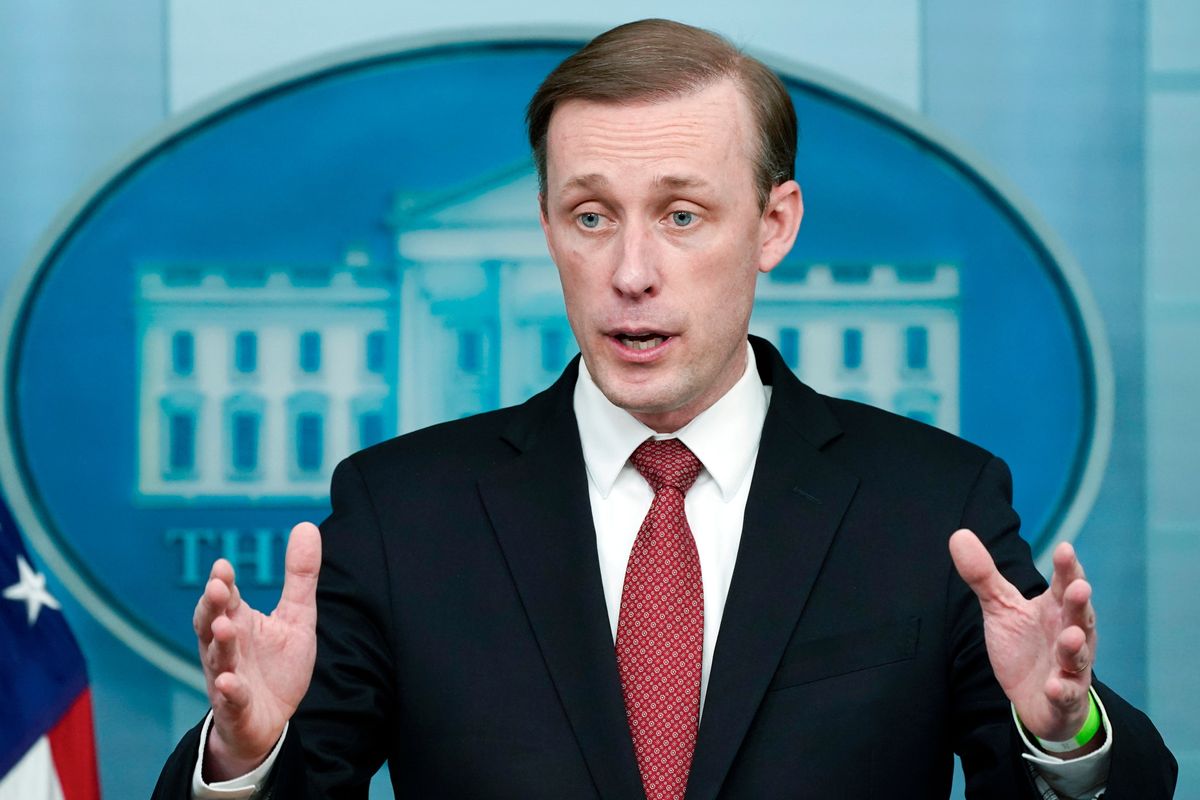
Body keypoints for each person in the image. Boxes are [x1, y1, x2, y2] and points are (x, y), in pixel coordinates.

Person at [154, 18, 1176, 799]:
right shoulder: (404, 509)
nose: (630, 271)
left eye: (682, 216)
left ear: (774, 225)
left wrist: (1066, 731)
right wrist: (247, 754)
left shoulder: (929, 503)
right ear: (549, 226)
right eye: (591, 216)